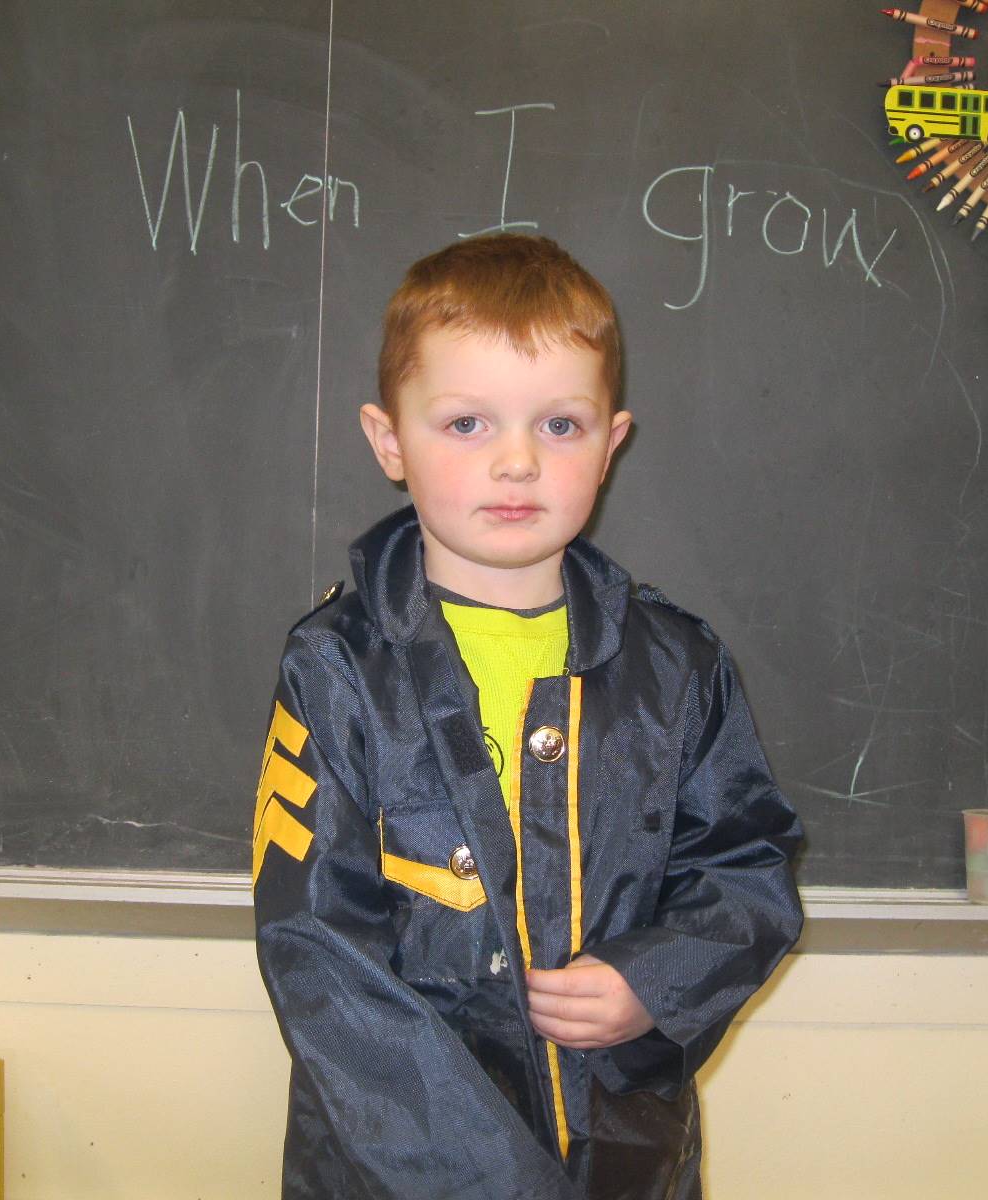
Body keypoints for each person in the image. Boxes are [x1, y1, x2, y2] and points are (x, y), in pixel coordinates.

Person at [253, 233, 803, 1199]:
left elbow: (746, 868)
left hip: (622, 1156)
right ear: (389, 441)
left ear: (612, 442)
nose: (516, 463)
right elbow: (319, 953)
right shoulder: (337, 666)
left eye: (560, 426)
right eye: (467, 424)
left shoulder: (676, 665)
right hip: (395, 1175)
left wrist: (656, 980)